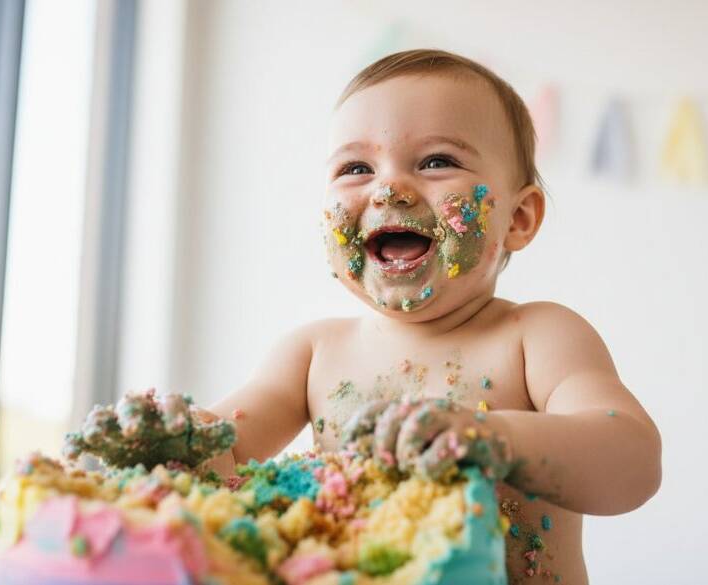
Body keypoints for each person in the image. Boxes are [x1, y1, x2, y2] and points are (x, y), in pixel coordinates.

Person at [203, 49, 661, 583]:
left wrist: (491, 438)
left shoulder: (536, 337)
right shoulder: (310, 354)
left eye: (437, 161)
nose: (388, 188)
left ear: (518, 218)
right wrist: (166, 442)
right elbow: (218, 454)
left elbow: (632, 463)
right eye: (356, 168)